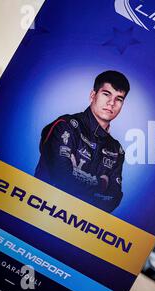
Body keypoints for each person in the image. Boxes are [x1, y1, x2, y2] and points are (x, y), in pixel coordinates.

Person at [35, 70, 130, 213]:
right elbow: (61, 177)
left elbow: (113, 199)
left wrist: (75, 174)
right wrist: (101, 182)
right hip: (39, 211)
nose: (111, 103)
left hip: (77, 228)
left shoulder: (117, 150)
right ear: (93, 95)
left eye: (119, 99)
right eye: (106, 94)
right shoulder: (65, 126)